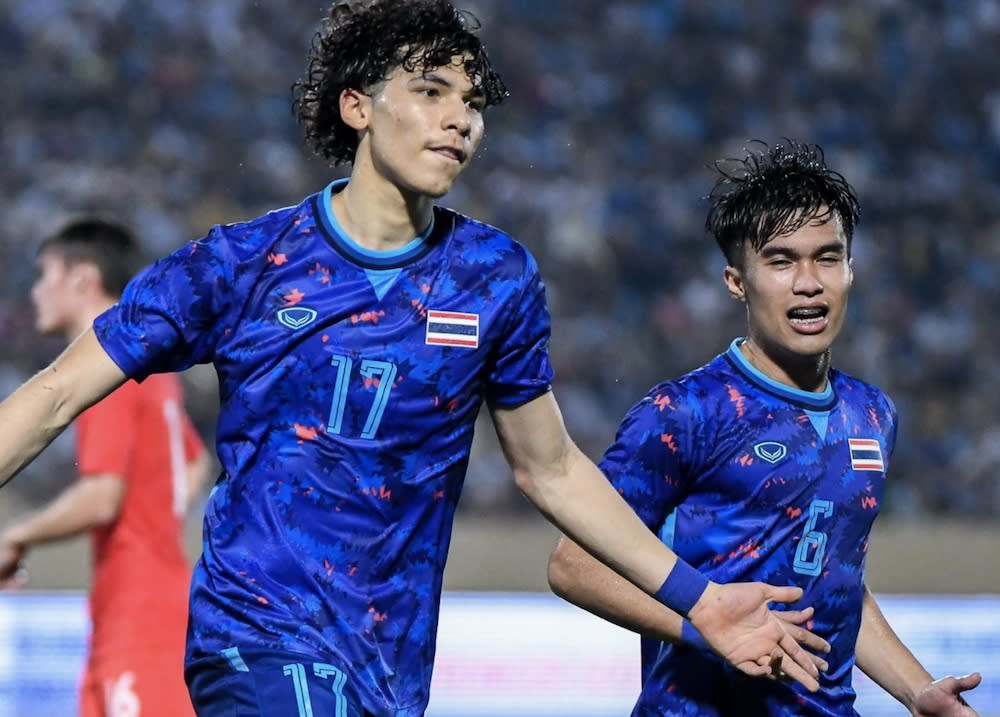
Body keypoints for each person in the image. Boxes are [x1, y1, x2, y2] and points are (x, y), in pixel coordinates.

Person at [0, 4, 825, 716]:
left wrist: (703, 597)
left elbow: (552, 470)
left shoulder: (495, 278)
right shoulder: (242, 265)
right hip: (257, 635)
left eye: (471, 102)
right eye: (431, 93)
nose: (458, 119)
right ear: (358, 106)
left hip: (389, 667)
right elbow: (56, 393)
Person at [547, 139, 983, 717]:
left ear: (851, 270)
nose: (809, 282)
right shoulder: (687, 411)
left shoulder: (873, 414)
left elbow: (837, 573)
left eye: (828, 257)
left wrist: (916, 691)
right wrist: (709, 627)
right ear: (736, 281)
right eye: (781, 261)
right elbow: (574, 566)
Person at [0, 218, 211, 717]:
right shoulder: (149, 365)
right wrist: (156, 519)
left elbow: (102, 496)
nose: (36, 292)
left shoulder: (102, 369)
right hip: (143, 605)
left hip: (140, 620)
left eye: (44, 274)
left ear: (81, 278)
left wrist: (16, 536)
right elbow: (196, 461)